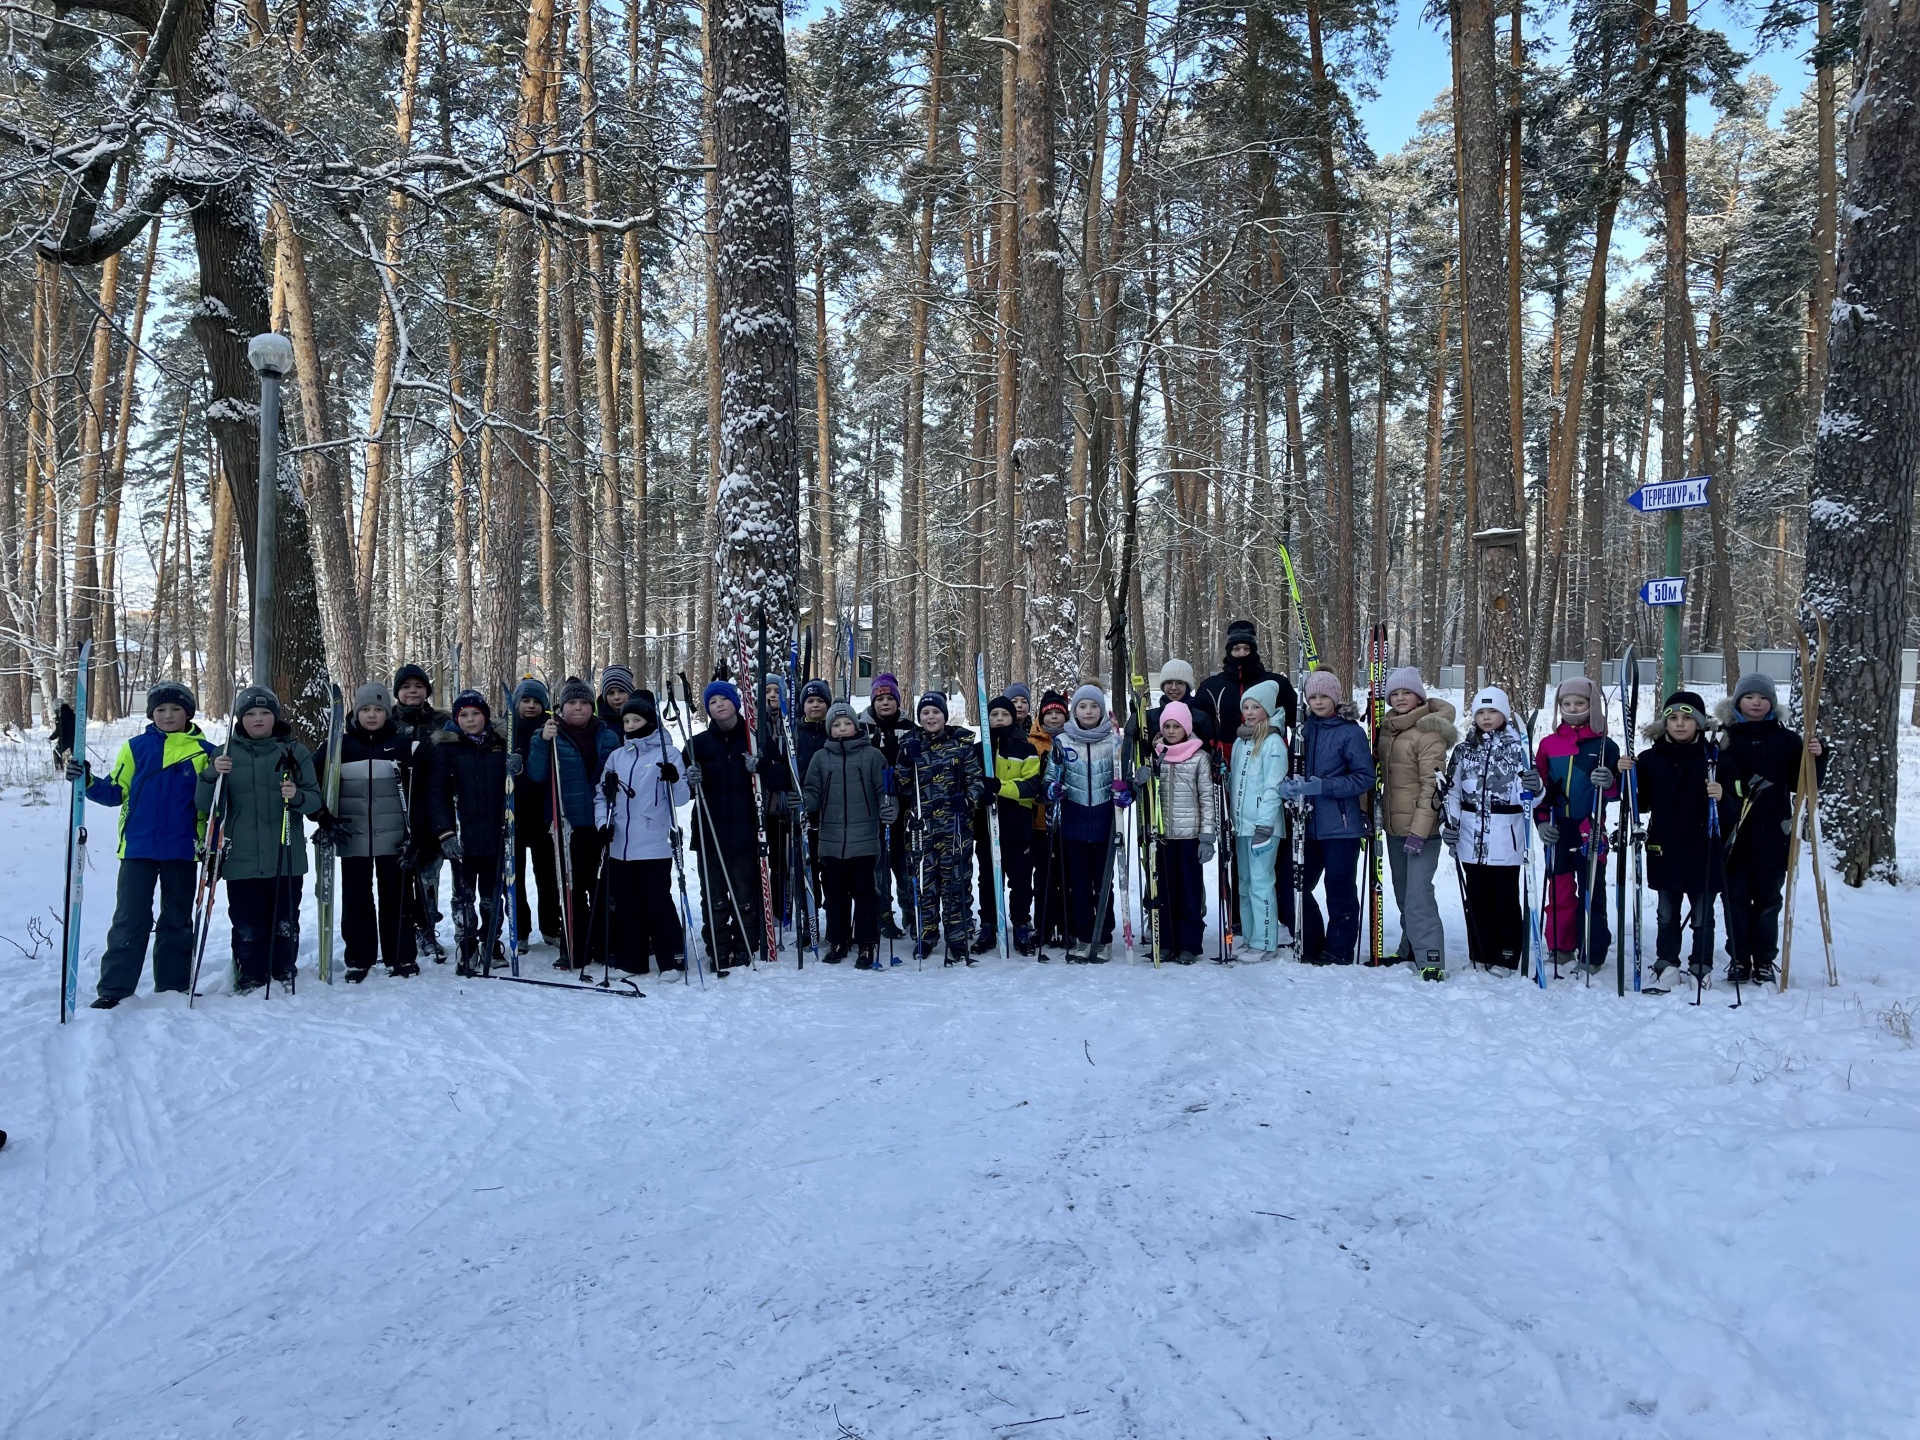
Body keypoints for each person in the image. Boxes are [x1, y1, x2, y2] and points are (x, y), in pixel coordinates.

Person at [72, 680, 215, 1008]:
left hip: (182, 849)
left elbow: (212, 803)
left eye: (176, 709)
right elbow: (114, 792)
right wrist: (87, 779)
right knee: (130, 917)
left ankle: (174, 984)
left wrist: (210, 841)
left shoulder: (205, 753)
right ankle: (115, 988)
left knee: (177, 918)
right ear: (151, 713)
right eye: (161, 709)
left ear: (188, 713)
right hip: (138, 849)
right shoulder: (135, 747)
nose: (168, 715)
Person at [199, 686, 322, 994]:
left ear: (275, 717)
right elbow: (206, 805)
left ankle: (283, 970)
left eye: (265, 713)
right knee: (247, 924)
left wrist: (297, 796)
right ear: (241, 719)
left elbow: (315, 802)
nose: (258, 719)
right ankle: (250, 975)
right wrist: (213, 775)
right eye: (251, 714)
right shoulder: (225, 752)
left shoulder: (294, 751)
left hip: (286, 854)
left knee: (284, 921)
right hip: (241, 857)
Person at [1715, 672, 1823, 986]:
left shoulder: (1786, 739)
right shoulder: (1724, 738)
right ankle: (1738, 958)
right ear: (1738, 701)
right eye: (1750, 697)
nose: (1757, 703)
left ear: (1771, 703)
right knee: (1734, 898)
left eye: (1763, 698)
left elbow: (1800, 783)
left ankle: (1764, 959)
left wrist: (1817, 757)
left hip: (1774, 832)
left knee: (1768, 901)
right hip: (1734, 833)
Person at [1622, 690, 1728, 986]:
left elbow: (1735, 800)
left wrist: (1724, 796)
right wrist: (1626, 776)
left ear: (1699, 723)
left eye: (1687, 718)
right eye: (1673, 719)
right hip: (1665, 845)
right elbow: (1638, 803)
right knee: (1667, 912)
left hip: (1703, 846)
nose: (1680, 724)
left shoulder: (1714, 757)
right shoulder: (1651, 758)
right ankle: (1667, 962)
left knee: (1702, 915)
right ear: (1664, 724)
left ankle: (1701, 965)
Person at [1440, 687, 1540, 973]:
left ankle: (1506, 954)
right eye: (1481, 712)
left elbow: (1532, 795)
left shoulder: (1518, 748)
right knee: (1478, 899)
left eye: (1492, 712)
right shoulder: (1463, 750)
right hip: (1471, 839)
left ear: (1504, 714)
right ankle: (1481, 951)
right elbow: (1453, 792)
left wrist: (1537, 787)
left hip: (1505, 838)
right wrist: (1451, 823)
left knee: (1504, 899)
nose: (1486, 717)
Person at [1280, 670, 1376, 965]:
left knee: (1339, 889)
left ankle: (1339, 949)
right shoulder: (1303, 731)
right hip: (1305, 826)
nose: (1318, 702)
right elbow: (1292, 766)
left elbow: (1365, 777)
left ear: (1335, 697)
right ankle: (1310, 940)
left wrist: (1324, 786)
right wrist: (1287, 785)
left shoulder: (1350, 732)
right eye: (1313, 697)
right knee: (1289, 886)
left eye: (1323, 696)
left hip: (1341, 826)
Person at [528, 677, 620, 970]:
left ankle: (606, 944)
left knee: (604, 887)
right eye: (571, 703)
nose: (578, 708)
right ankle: (575, 947)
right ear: (561, 706)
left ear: (592, 706)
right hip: (568, 824)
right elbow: (536, 774)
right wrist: (543, 742)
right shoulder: (549, 735)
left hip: (603, 824)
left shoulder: (607, 735)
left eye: (583, 703)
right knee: (572, 888)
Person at [595, 692, 690, 974]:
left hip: (653, 845)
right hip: (620, 845)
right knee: (626, 906)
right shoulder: (616, 756)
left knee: (657, 903)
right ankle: (632, 960)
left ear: (649, 721)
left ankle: (671, 959)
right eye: (626, 720)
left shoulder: (668, 753)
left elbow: (682, 797)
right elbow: (602, 796)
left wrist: (674, 779)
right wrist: (603, 824)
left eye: (636, 719)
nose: (631, 724)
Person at [425, 689, 518, 975]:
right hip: (461, 836)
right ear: (456, 718)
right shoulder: (445, 747)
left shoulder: (501, 744)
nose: (470, 719)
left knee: (493, 895)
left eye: (475, 714)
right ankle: (465, 944)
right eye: (463, 715)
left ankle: (491, 941)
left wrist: (517, 770)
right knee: (463, 896)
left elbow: (514, 792)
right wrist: (445, 833)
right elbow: (436, 793)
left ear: (486, 716)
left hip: (494, 833)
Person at [1533, 675, 1621, 975]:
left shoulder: (1605, 745)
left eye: (1580, 703)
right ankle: (1560, 946)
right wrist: (1542, 823)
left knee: (1591, 890)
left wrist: (1609, 783)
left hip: (1590, 827)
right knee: (1558, 890)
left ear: (1592, 705)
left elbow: (1615, 792)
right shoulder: (1548, 744)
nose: (1572, 709)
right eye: (1566, 703)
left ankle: (1593, 950)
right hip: (1559, 826)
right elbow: (1540, 789)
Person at [686, 678, 776, 971]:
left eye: (723, 699)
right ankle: (718, 948)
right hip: (709, 831)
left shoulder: (754, 739)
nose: (719, 705)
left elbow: (782, 778)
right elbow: (681, 791)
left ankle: (745, 946)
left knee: (745, 892)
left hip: (746, 832)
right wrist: (690, 779)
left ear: (736, 704)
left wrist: (761, 766)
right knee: (713, 896)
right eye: (712, 702)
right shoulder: (696, 745)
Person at [331, 683, 416, 982]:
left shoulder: (402, 744)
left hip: (392, 836)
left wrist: (415, 831)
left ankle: (402, 956)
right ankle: (358, 957)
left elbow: (416, 789)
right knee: (356, 898)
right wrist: (324, 818)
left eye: (378, 709)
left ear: (387, 712)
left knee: (397, 896)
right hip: (352, 836)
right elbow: (314, 781)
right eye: (366, 709)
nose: (371, 715)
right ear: (356, 711)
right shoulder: (339, 745)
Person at [1372, 666, 1456, 968]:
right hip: (1395, 827)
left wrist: (1420, 832)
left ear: (1419, 695)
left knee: (1419, 895)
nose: (1400, 698)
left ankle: (1431, 958)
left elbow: (1432, 786)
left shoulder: (1429, 731)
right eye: (1394, 693)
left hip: (1422, 831)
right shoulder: (1390, 729)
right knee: (1404, 893)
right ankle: (1410, 947)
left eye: (1406, 692)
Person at [1046, 684, 1131, 963]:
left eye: (1093, 706)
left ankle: (1103, 938)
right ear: (1075, 711)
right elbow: (1049, 779)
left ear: (1101, 710)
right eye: (1083, 706)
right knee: (1079, 886)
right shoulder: (1062, 742)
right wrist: (1052, 789)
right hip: (1074, 821)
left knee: (1102, 885)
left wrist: (1125, 793)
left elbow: (1125, 780)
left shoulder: (1114, 741)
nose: (1088, 711)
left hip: (1106, 822)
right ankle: (1084, 937)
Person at [803, 701, 893, 966]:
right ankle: (838, 939)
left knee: (865, 893)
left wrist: (889, 808)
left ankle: (866, 943)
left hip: (864, 840)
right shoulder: (820, 758)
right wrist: (802, 801)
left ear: (856, 726)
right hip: (831, 841)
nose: (842, 728)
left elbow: (885, 790)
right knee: (835, 895)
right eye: (837, 725)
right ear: (830, 730)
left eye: (847, 723)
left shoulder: (872, 756)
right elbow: (813, 793)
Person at [900, 691, 986, 965]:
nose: (930, 717)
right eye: (925, 713)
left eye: (935, 712)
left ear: (944, 715)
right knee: (925, 883)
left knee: (956, 883)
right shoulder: (910, 743)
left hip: (955, 826)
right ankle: (926, 935)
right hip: (921, 827)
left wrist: (969, 799)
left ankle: (957, 937)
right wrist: (904, 760)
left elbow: (976, 780)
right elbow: (902, 786)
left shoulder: (961, 743)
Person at [1144, 698, 1219, 964]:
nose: (1171, 731)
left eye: (1177, 726)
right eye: (1167, 726)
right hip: (1163, 838)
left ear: (1186, 728)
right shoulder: (1156, 757)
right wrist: (1141, 780)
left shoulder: (1199, 758)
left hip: (1189, 838)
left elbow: (1207, 798)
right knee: (1163, 892)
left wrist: (1207, 837)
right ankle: (1166, 941)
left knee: (1189, 892)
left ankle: (1189, 944)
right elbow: (1148, 796)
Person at [392, 662, 450, 959]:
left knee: (429, 871)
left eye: (418, 686)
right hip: (395, 808)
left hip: (432, 808)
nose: (412, 691)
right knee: (400, 872)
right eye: (405, 687)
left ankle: (428, 925)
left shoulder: (441, 721)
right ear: (397, 693)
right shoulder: (387, 721)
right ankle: (403, 927)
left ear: (426, 690)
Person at [1228, 683, 1288, 958]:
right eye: (1246, 707)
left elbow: (1273, 786)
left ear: (1268, 709)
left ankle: (1265, 942)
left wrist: (1265, 824)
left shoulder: (1273, 742)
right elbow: (1235, 784)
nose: (1250, 713)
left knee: (1261, 881)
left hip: (1263, 826)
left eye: (1256, 707)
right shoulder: (1242, 741)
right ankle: (1251, 937)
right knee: (1244, 882)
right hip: (1241, 825)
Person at [979, 694, 1042, 952]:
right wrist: (978, 793)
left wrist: (999, 787)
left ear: (1013, 718)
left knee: (1020, 879)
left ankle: (1021, 924)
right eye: (994, 715)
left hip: (1017, 827)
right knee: (988, 879)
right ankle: (988, 924)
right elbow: (969, 782)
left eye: (1004, 714)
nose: (1000, 719)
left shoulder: (1025, 749)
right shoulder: (979, 749)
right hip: (986, 827)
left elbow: (1031, 787)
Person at [507, 677, 562, 950]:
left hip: (543, 814)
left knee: (548, 876)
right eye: (525, 701)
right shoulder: (505, 733)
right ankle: (520, 929)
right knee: (514, 876)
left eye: (536, 702)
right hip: (513, 816)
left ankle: (551, 926)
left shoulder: (552, 730)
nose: (531, 706)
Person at [865, 673, 914, 937]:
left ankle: (910, 911)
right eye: (880, 699)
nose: (885, 703)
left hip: (905, 808)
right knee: (879, 868)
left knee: (905, 866)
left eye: (889, 698)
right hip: (874, 808)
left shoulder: (909, 727)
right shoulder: (864, 728)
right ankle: (883, 913)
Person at [1028, 691, 1071, 952]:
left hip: (1068, 821)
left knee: (1066, 877)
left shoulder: (1072, 740)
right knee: (1043, 877)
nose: (1054, 718)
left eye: (1059, 714)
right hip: (1039, 821)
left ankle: (1067, 927)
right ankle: (1043, 926)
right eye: (1049, 714)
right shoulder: (1032, 743)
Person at [596, 664, 636, 730]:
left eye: (622, 691)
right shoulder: (597, 724)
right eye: (611, 693)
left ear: (630, 692)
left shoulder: (644, 719)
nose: (616, 697)